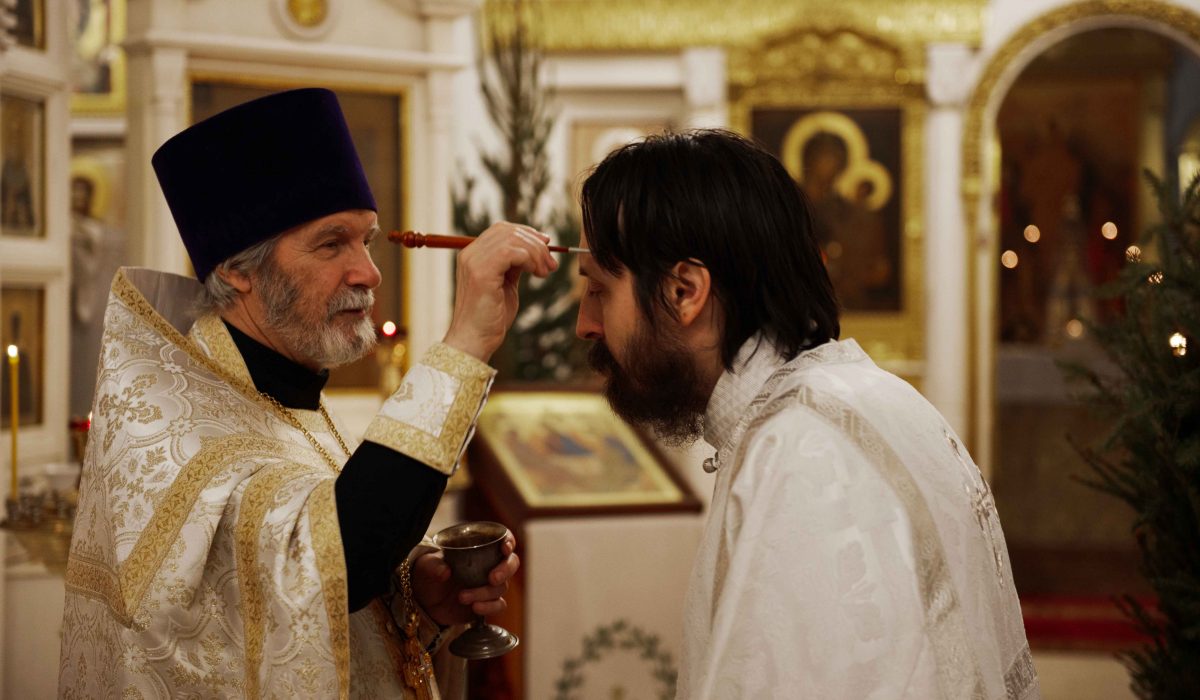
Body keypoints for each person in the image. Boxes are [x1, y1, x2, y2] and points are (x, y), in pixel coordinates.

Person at [58, 88, 558, 698]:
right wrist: (468, 340)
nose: (368, 272)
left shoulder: (282, 394)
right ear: (238, 269)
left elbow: (307, 585)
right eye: (331, 243)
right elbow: (344, 560)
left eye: (366, 240)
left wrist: (416, 596)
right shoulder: (173, 426)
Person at [575, 130, 1039, 699]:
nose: (585, 325)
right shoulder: (851, 399)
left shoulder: (803, 452)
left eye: (598, 291)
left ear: (683, 291)